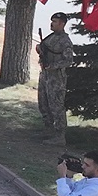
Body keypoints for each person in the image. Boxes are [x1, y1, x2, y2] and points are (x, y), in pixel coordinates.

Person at [37, 12, 75, 144]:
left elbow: (69, 60)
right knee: (43, 104)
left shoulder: (65, 41)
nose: (52, 23)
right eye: (51, 21)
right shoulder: (51, 37)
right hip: (45, 76)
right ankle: (49, 130)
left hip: (56, 79)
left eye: (55, 21)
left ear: (62, 24)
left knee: (56, 106)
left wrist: (53, 66)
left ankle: (60, 136)